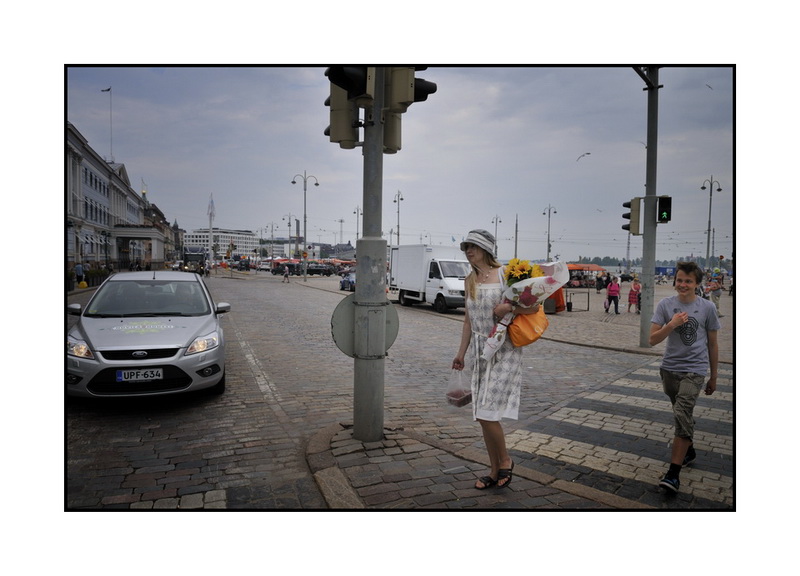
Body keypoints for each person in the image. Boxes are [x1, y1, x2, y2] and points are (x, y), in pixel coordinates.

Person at [452, 229, 540, 490]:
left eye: (474, 247)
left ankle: (505, 460)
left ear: (486, 250)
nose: (469, 251)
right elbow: (468, 320)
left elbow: (534, 306)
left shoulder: (505, 275)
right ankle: (493, 468)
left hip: (504, 350)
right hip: (481, 350)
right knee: (481, 414)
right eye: (467, 247)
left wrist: (509, 307)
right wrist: (461, 353)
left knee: (488, 411)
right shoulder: (470, 279)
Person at [649, 261, 720, 494]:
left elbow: (713, 343)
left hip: (695, 370)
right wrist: (672, 324)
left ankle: (673, 474)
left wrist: (713, 377)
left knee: (682, 412)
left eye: (688, 281)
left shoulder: (707, 308)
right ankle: (689, 449)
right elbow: (652, 340)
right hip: (669, 369)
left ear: (697, 284)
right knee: (682, 414)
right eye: (679, 280)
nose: (683, 284)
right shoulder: (665, 305)